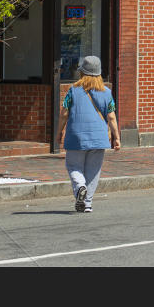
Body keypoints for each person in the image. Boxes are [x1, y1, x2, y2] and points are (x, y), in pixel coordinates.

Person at [60, 55, 120, 213]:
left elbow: (64, 113)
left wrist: (59, 131)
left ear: (82, 73)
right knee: (93, 171)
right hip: (99, 138)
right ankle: (87, 203)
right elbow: (112, 117)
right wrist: (117, 138)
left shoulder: (73, 90)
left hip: (76, 137)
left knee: (74, 166)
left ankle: (80, 187)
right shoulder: (107, 92)